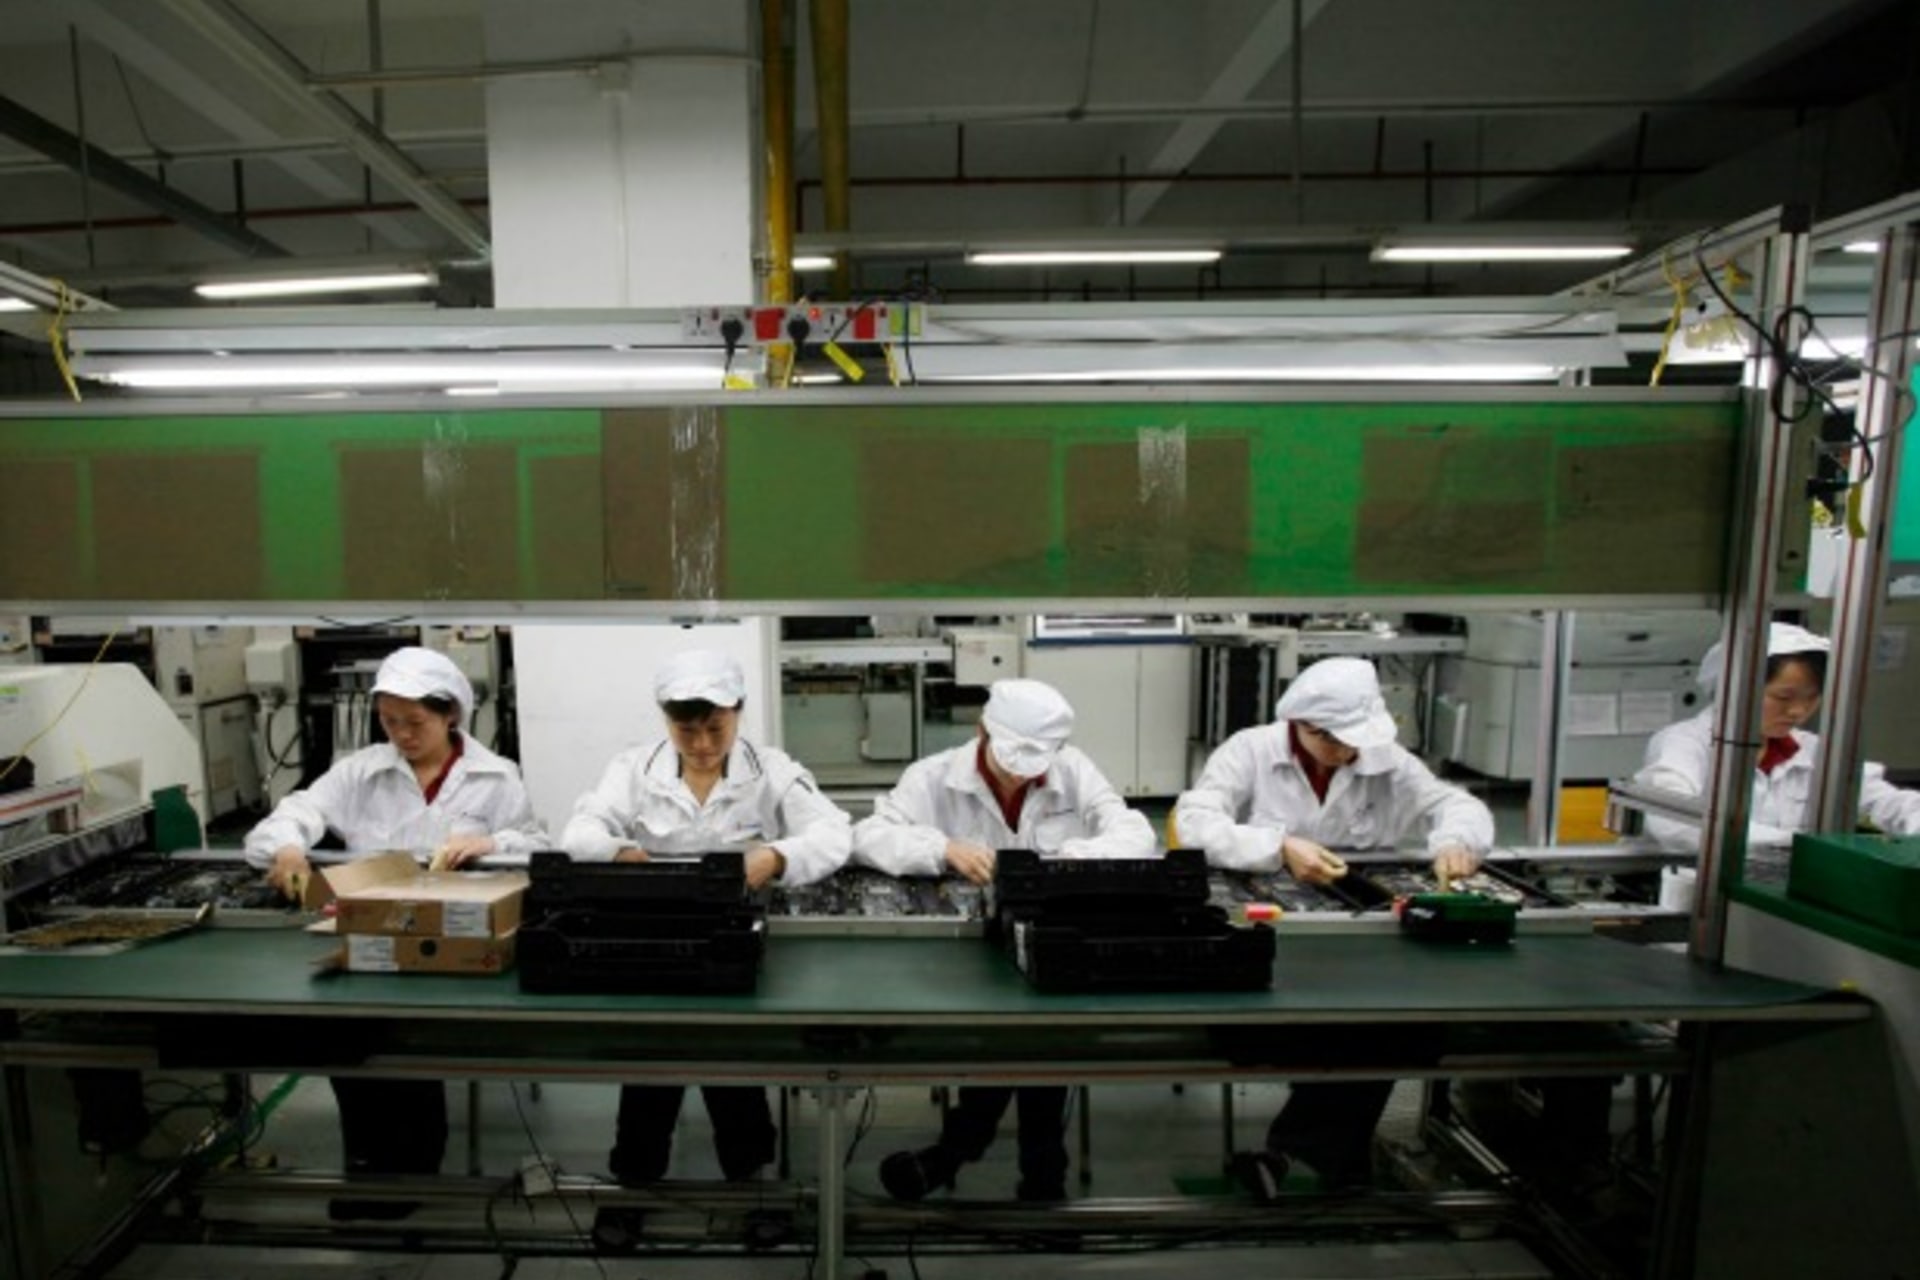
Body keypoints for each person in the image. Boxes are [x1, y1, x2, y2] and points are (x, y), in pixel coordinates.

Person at [244, 646, 546, 1218]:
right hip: (371, 934)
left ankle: (413, 1170)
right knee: (349, 1045)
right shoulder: (361, 772)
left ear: (450, 714)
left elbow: (538, 845)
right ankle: (367, 1169)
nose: (402, 735)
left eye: (416, 722)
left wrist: (492, 843)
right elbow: (293, 813)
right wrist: (287, 847)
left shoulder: (495, 777)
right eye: (389, 721)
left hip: (452, 938)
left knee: (414, 1049)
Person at [1173, 656, 1493, 1192]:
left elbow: (1453, 804)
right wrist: (1277, 846)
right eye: (1336, 743)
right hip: (1263, 947)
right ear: (1304, 726)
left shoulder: (1385, 759)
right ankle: (1322, 1161)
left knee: (1410, 1030)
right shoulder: (1250, 750)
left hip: (1360, 952)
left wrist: (1456, 842)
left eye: (1356, 743)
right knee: (1362, 1036)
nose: (1350, 755)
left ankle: (1302, 1156)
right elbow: (1193, 821)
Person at [855, 678, 1156, 1202]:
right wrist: (942, 848)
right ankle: (1039, 1178)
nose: (1020, 775)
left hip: (1051, 942)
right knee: (1027, 1039)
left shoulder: (1073, 769)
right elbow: (869, 837)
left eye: (1034, 762)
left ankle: (961, 1153)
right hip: (965, 957)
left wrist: (1058, 866)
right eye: (1010, 758)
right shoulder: (932, 777)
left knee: (1041, 1032)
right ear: (981, 731)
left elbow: (1136, 833)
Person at [560, 648, 851, 1188]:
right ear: (665, 720)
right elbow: (580, 831)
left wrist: (775, 857)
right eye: (685, 729)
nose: (701, 745)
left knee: (733, 1063)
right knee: (651, 1064)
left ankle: (751, 1187)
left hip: (734, 943)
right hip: (656, 942)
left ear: (739, 712)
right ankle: (635, 1186)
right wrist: (619, 852)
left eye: (715, 728)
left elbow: (834, 834)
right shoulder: (633, 769)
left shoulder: (774, 771)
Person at [1635, 622, 1920, 851]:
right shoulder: (1684, 742)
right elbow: (1674, 821)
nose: (1798, 711)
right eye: (1783, 697)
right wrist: (1793, 844)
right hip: (1691, 891)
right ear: (1735, 687)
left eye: (1811, 698)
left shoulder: (1814, 751)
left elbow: (1887, 803)